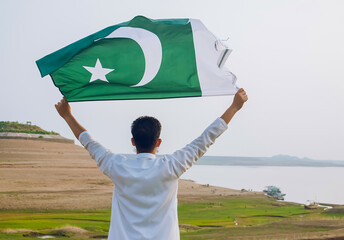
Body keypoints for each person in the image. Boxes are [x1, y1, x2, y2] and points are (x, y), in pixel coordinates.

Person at [55, 88, 248, 240]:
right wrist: (234, 107)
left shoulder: (117, 166)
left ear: (133, 141)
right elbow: (206, 138)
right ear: (158, 142)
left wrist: (68, 116)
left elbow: (89, 142)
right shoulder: (171, 166)